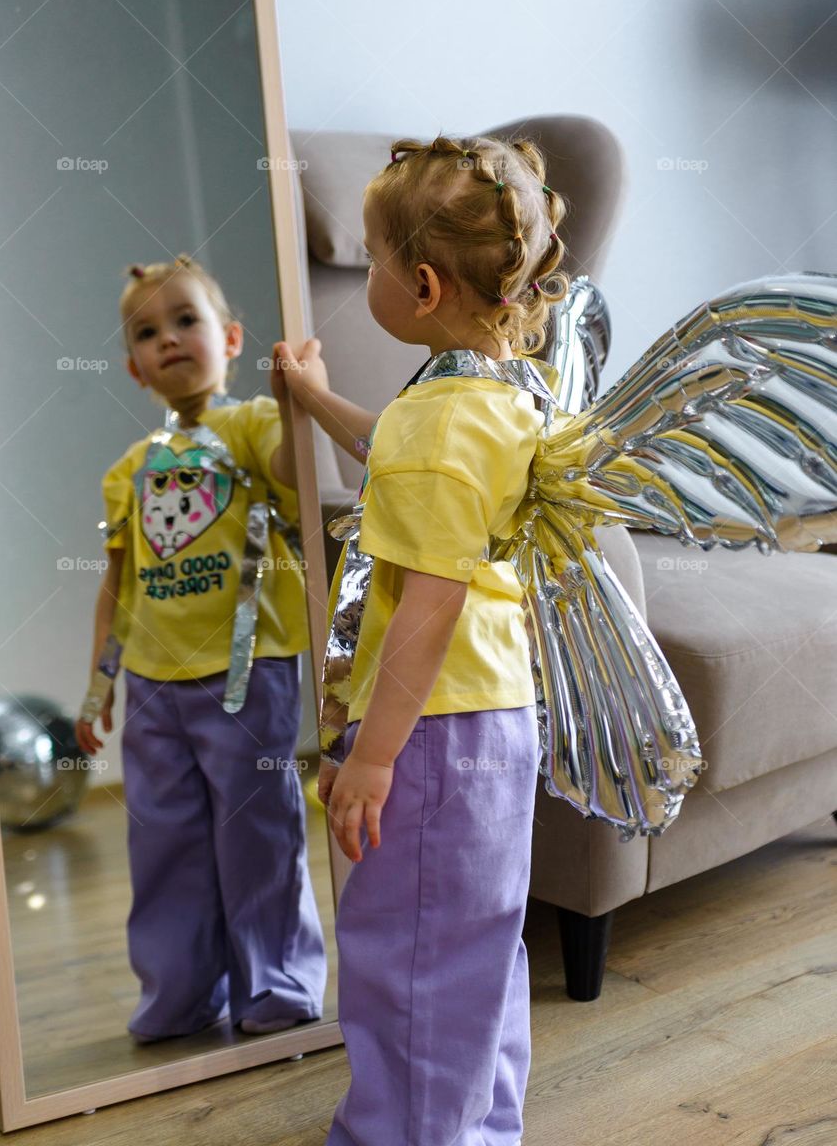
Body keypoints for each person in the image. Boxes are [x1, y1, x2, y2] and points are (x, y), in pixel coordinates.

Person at [277, 134, 569, 1145]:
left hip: (432, 732)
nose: (361, 274)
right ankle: (477, 1130)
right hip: (492, 721)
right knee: (474, 951)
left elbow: (430, 599)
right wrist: (314, 401)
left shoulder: (440, 424)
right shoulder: (495, 396)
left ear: (424, 282)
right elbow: (390, 453)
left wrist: (371, 754)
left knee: (405, 958)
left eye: (367, 260)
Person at [77, 253, 326, 1042]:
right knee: (164, 842)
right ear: (133, 368)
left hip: (249, 673)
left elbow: (295, 471)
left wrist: (297, 403)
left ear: (230, 336)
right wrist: (98, 685)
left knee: (256, 834)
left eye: (186, 320)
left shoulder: (252, 425)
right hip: (154, 686)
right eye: (149, 332)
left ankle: (276, 985)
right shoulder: (126, 473)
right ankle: (180, 993)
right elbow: (118, 585)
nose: (170, 339)